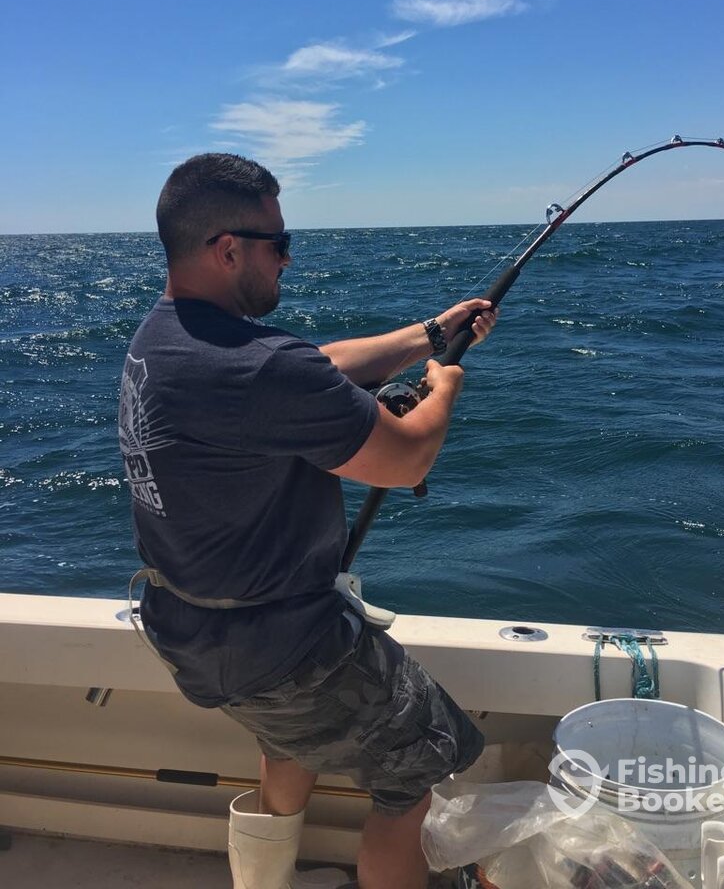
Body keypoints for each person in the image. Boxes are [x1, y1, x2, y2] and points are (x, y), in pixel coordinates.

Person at [119, 153, 497, 889]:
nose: (288, 259)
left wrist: (431, 331)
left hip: (191, 630)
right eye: (280, 243)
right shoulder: (260, 368)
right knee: (420, 765)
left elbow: (315, 366)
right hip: (284, 648)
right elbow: (404, 458)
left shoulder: (162, 339)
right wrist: (445, 383)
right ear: (229, 249)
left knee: (287, 737)